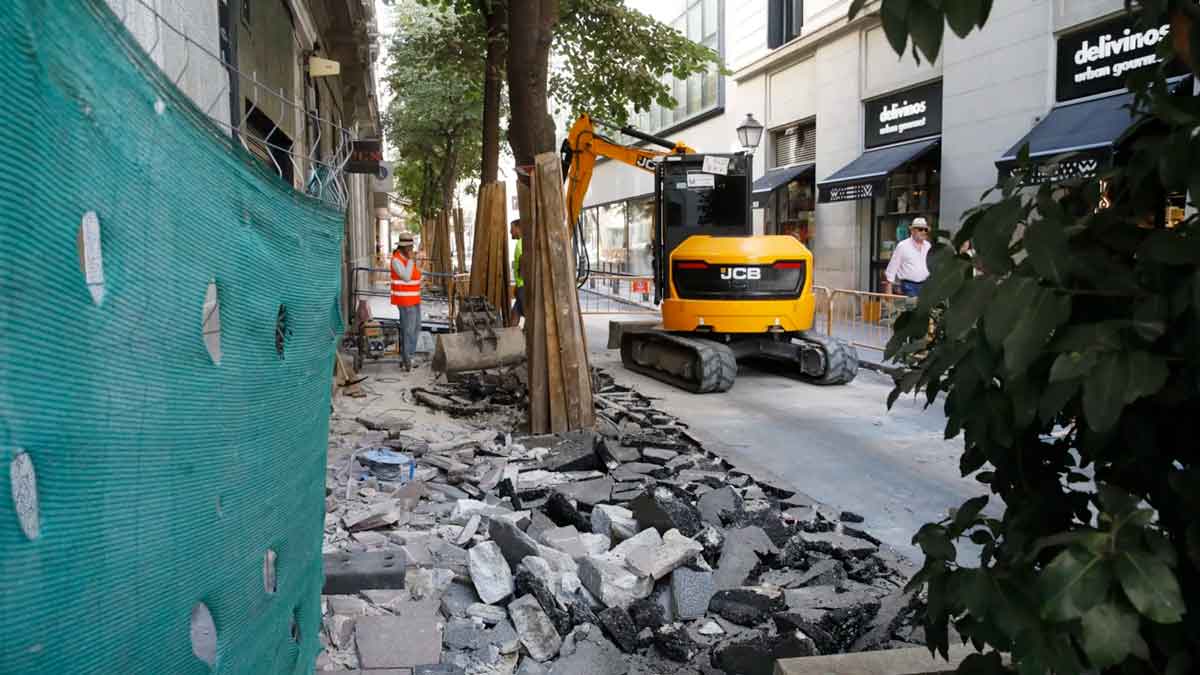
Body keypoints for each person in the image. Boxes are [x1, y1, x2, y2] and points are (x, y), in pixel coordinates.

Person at [389, 232, 422, 371]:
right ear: (402, 247)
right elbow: (407, 277)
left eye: (411, 247)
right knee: (408, 330)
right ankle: (407, 358)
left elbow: (415, 275)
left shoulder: (407, 259)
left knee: (415, 328)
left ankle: (410, 356)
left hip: (414, 298)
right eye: (409, 247)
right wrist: (411, 261)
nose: (411, 250)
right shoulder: (397, 260)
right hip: (404, 300)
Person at [883, 217, 931, 297]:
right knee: (911, 307)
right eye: (920, 229)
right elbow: (892, 267)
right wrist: (888, 292)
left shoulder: (928, 246)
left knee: (923, 308)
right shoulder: (903, 246)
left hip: (925, 285)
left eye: (925, 230)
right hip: (908, 285)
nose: (923, 232)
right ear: (912, 231)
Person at [510, 219, 525, 327]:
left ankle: (528, 337)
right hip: (521, 286)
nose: (511, 231)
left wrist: (522, 287)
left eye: (512, 228)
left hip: (524, 287)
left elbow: (523, 267)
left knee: (528, 313)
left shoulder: (521, 244)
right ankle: (511, 336)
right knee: (515, 313)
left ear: (518, 228)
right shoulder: (521, 243)